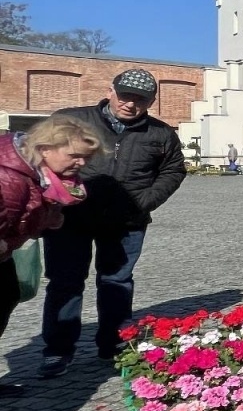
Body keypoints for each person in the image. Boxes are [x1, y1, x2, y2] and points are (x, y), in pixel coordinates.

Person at [37, 70, 187, 379]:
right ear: (111, 90)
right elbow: (39, 156)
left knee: (117, 281)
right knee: (65, 282)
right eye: (125, 96)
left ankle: (114, 344)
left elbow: (173, 170)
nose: (130, 104)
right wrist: (55, 198)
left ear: (151, 102)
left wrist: (144, 202)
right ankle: (58, 349)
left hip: (126, 221)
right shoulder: (72, 120)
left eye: (140, 100)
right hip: (71, 219)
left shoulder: (160, 133)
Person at [0, 117, 100, 411]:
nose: (81, 165)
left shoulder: (34, 173)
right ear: (45, 148)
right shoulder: (9, 179)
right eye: (75, 156)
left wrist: (52, 206)